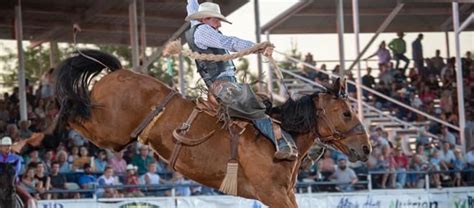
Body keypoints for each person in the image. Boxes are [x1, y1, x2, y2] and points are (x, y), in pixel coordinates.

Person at [185, 0, 297, 160]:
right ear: (205, 18)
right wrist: (258, 46)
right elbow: (229, 42)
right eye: (216, 20)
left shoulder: (197, 26)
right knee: (253, 108)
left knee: (258, 106)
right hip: (223, 85)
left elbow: (192, 7)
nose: (219, 25)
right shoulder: (203, 31)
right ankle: (284, 142)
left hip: (224, 83)